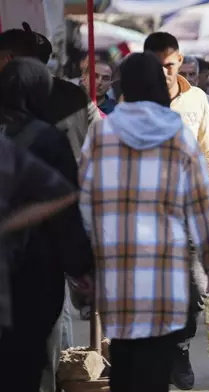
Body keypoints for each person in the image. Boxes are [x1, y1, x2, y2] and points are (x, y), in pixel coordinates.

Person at [78, 52, 209, 392]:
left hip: (116, 276)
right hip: (166, 276)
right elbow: (202, 208)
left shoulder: (101, 133)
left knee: (124, 361)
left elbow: (84, 205)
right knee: (156, 368)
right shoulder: (178, 135)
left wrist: (84, 268)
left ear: (123, 87)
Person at [0, 58, 94, 392]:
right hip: (31, 277)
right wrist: (82, 269)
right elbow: (65, 212)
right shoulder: (50, 140)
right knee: (23, 365)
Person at [144, 32, 209, 390]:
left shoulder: (198, 100)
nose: (165, 73)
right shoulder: (135, 103)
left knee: (197, 288)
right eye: (157, 67)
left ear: (180, 60)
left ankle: (181, 344)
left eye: (170, 65)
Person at [0, 23, 102, 160]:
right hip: (73, 179)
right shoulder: (77, 95)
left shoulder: (9, 99)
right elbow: (100, 138)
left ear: (8, 59)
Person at [181, 55, 209, 138]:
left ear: (197, 78)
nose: (187, 79)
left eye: (192, 74)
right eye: (183, 74)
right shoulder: (169, 103)